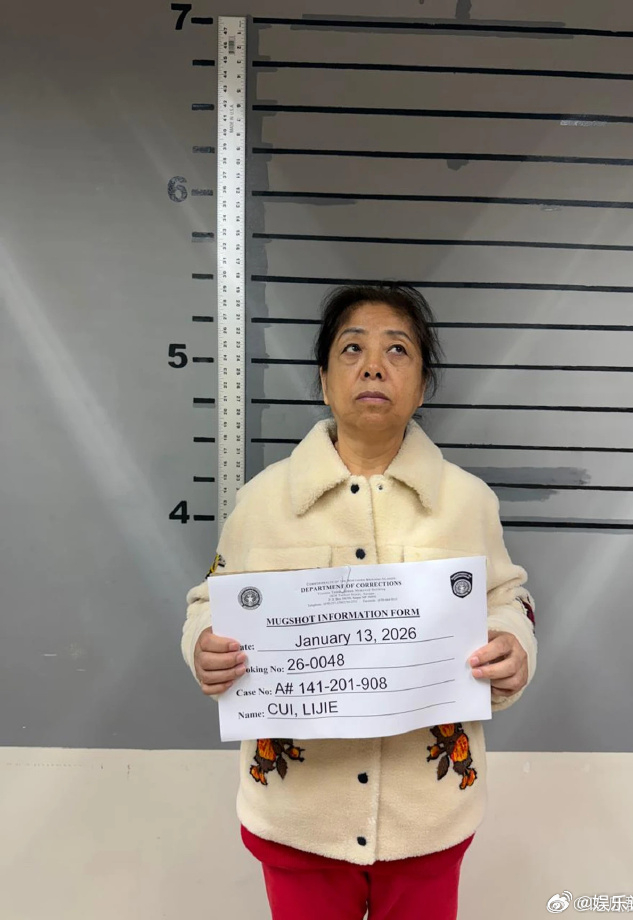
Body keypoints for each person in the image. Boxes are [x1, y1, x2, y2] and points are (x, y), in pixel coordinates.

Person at [181, 283, 537, 920]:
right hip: (298, 820)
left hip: (428, 820)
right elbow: (210, 599)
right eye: (352, 349)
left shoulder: (468, 501)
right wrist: (203, 645)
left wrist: (514, 645)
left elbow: (509, 598)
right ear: (324, 381)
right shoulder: (261, 502)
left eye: (398, 350)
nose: (374, 365)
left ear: (422, 386)